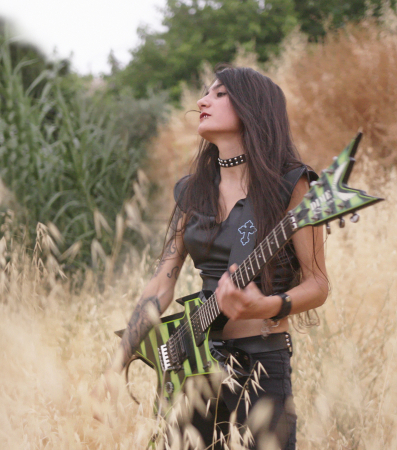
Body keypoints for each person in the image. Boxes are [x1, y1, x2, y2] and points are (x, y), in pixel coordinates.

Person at [98, 66, 329, 449]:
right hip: (190, 365)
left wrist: (267, 305)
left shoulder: (292, 183)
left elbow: (318, 284)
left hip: (261, 364)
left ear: (252, 108)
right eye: (205, 93)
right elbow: (161, 283)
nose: (203, 101)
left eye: (220, 94)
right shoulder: (193, 190)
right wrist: (116, 364)